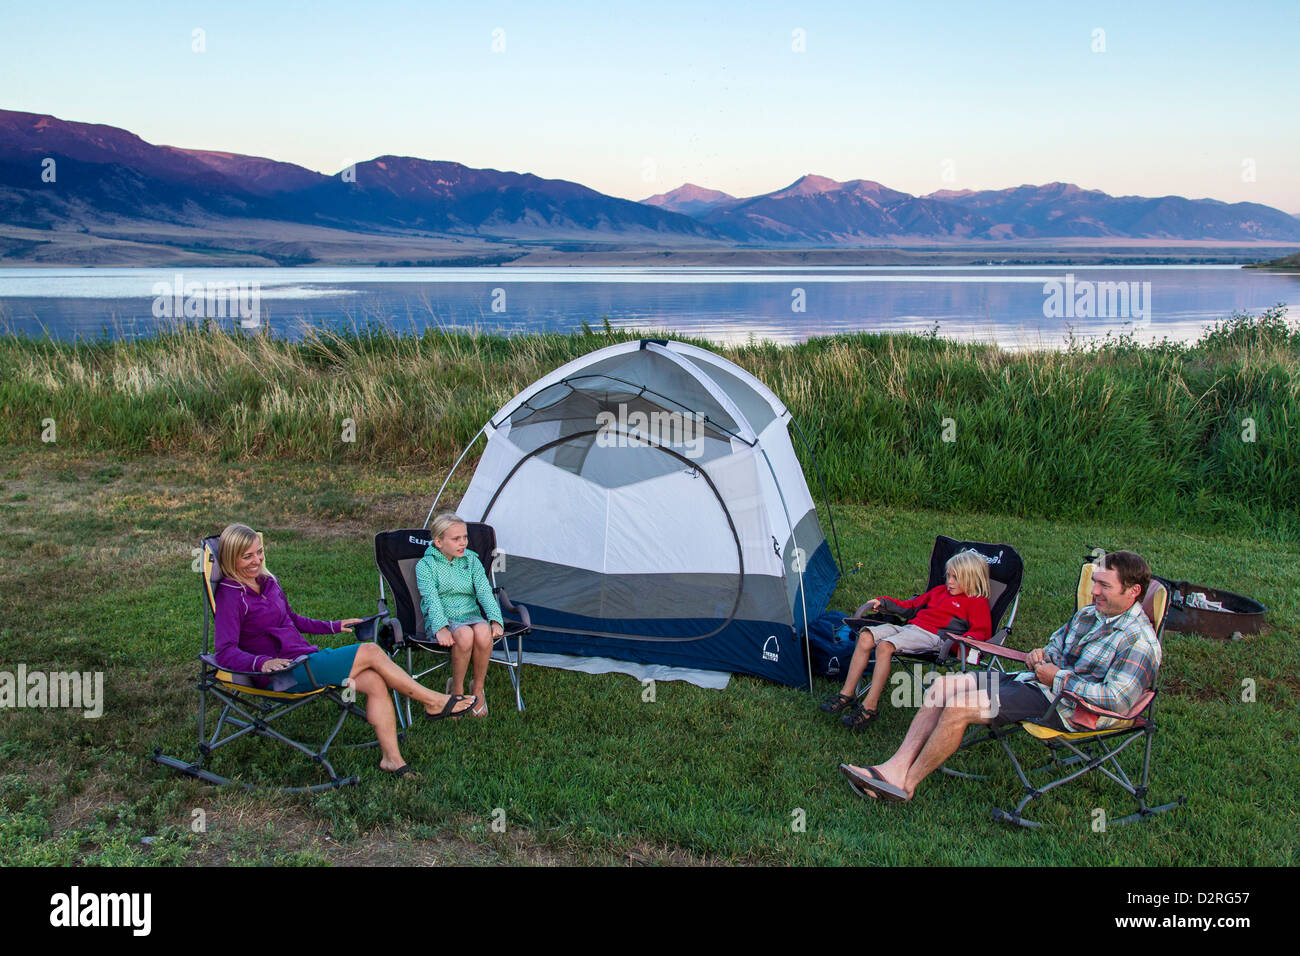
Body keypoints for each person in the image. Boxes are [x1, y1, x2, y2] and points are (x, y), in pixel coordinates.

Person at [840, 550, 1159, 802]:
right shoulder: (1090, 614)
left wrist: (1057, 678)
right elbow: (1055, 646)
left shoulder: (1139, 641)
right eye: (1095, 582)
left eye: (1104, 585)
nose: (1094, 591)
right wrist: (1041, 656)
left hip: (1065, 706)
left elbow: (1117, 700)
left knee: (959, 707)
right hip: (1035, 682)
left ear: (1132, 592)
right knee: (942, 686)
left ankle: (904, 785)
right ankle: (893, 768)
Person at [212, 523, 475, 777]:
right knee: (370, 652)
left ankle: (392, 760)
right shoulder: (231, 594)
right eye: (247, 557)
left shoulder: (267, 582)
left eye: (259, 552)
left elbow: (291, 619)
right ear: (231, 559)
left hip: (304, 659)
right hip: (282, 675)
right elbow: (224, 651)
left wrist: (333, 626)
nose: (256, 561)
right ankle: (434, 701)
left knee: (373, 681)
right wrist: (262, 663)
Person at [822, 550, 992, 730]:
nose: (949, 581)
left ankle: (869, 707)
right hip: (909, 628)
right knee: (865, 637)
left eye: (956, 577)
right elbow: (911, 606)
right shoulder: (940, 591)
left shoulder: (976, 602)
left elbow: (981, 632)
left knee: (885, 647)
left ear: (972, 578)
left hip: (932, 637)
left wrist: (962, 642)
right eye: (948, 575)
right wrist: (884, 602)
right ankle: (847, 694)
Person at [414, 514, 504, 717]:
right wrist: (441, 628)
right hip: (444, 616)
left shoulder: (471, 560)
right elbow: (431, 599)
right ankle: (456, 691)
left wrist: (495, 619)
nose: (463, 542)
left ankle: (478, 689)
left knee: (482, 632)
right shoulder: (426, 566)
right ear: (438, 542)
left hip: (470, 613)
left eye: (465, 537)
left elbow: (483, 591)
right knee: (464, 635)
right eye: (456, 539)